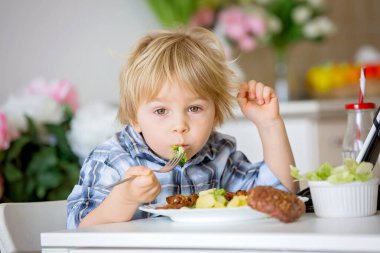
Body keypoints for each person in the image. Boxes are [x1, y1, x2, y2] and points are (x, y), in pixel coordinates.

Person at [66, 27, 297, 229]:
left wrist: (269, 124)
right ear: (134, 118)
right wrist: (125, 199)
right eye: (161, 111)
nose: (179, 126)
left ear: (215, 113)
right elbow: (79, 231)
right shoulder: (112, 161)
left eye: (194, 109)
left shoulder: (217, 154)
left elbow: (281, 196)